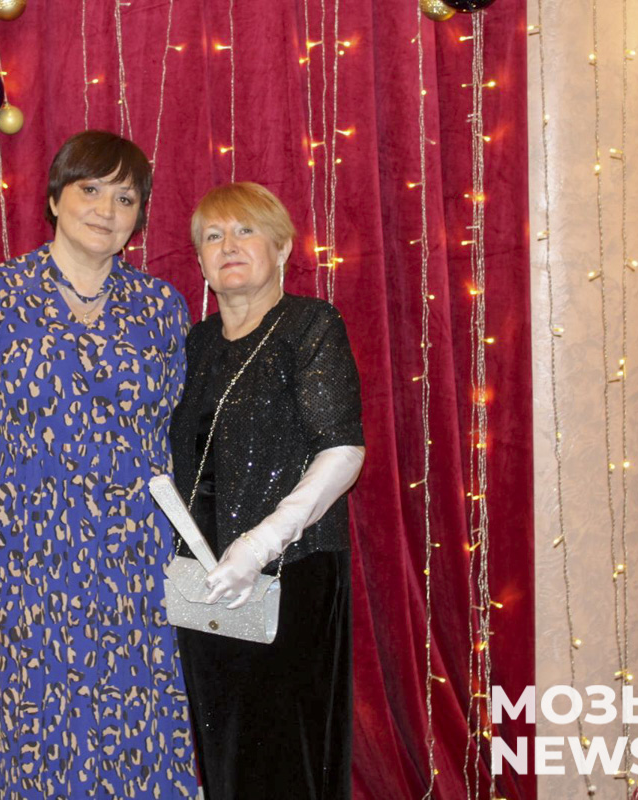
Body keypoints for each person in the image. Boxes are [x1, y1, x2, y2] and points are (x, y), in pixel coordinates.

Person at [0, 130, 197, 799]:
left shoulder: (162, 309)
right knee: (39, 756)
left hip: (138, 578)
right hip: (28, 579)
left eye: (124, 198)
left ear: (139, 216)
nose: (106, 209)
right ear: (54, 198)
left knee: (142, 750)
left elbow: (181, 445)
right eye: (90, 189)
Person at [170, 182, 365, 800]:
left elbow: (342, 452)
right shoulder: (195, 344)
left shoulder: (309, 325)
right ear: (201, 261)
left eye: (245, 230)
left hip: (291, 571)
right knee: (223, 745)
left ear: (282, 249)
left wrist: (259, 545)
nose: (228, 245)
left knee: (283, 749)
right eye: (213, 236)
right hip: (205, 579)